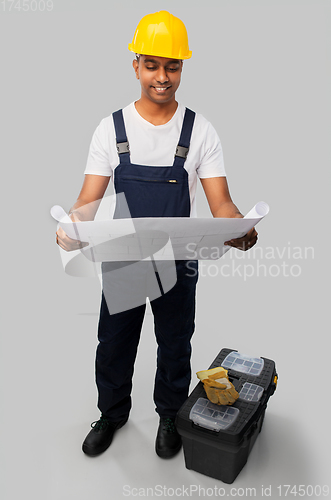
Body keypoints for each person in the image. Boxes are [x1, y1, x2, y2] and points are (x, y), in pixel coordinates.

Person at [56, 11, 257, 459]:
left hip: (178, 259)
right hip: (125, 257)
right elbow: (87, 200)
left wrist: (238, 226)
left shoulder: (200, 130)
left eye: (172, 66)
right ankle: (111, 414)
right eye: (152, 65)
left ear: (183, 67)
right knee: (113, 342)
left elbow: (220, 201)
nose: (162, 77)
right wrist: (70, 228)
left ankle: (169, 413)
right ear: (135, 65)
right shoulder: (111, 128)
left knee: (175, 342)